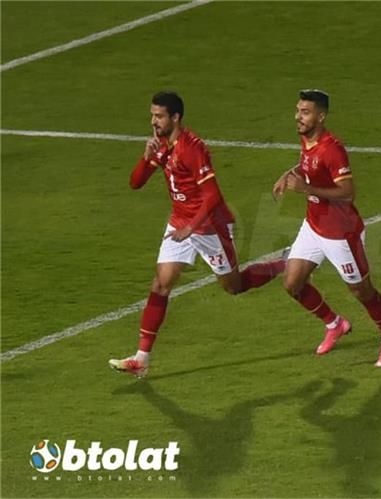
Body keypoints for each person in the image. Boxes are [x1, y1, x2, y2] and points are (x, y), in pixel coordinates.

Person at [109, 91, 286, 377]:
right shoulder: (161, 145)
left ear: (175, 117)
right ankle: (141, 358)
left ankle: (284, 263)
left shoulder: (192, 149)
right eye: (152, 115)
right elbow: (135, 183)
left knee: (234, 286)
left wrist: (190, 228)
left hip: (210, 226)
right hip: (179, 222)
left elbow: (212, 196)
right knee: (161, 284)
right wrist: (146, 158)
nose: (153, 122)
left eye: (159, 116)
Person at [272, 89, 381, 367]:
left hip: (341, 233)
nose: (298, 117)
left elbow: (347, 193)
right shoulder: (307, 139)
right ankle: (335, 324)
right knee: (292, 283)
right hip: (313, 225)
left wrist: (306, 188)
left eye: (305, 112)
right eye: (297, 110)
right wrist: (289, 174)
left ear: (321, 117)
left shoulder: (332, 149)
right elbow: (309, 165)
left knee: (361, 291)